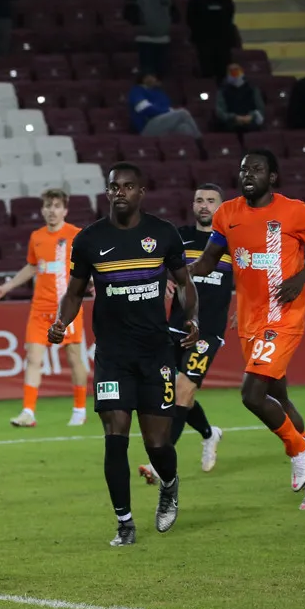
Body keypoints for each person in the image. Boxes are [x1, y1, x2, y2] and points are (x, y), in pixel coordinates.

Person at [47, 163, 199, 546]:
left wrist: (192, 318)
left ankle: (169, 484)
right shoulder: (89, 239)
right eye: (114, 187)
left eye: (128, 187)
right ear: (107, 191)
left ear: (141, 192)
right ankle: (125, 523)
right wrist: (62, 321)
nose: (120, 192)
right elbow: (75, 292)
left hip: (155, 353)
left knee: (157, 444)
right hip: (113, 355)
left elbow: (184, 282)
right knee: (115, 436)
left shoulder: (163, 233)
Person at [188, 150, 305, 510]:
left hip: (283, 316)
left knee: (252, 394)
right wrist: (174, 272)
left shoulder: (294, 211)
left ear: (272, 177)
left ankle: (298, 449)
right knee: (278, 398)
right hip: (250, 320)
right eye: (243, 169)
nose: (247, 174)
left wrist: (301, 278)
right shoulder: (227, 214)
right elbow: (207, 261)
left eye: (256, 169)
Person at [140, 184, 232, 486]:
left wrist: (245, 309)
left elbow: (249, 279)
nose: (204, 205)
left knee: (182, 391)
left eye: (211, 201)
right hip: (175, 327)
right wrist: (163, 278)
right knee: (175, 393)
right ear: (192, 205)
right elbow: (154, 264)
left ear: (221, 207)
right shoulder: (180, 237)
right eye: (199, 200)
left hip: (208, 331)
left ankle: (159, 465)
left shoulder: (232, 242)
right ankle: (209, 433)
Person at [0, 188, 89, 427]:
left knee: (74, 358)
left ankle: (79, 410)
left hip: (66, 308)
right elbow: (32, 266)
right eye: (48, 206)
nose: (52, 211)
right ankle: (28, 412)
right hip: (40, 308)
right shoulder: (37, 237)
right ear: (42, 210)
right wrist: (6, 288)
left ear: (65, 210)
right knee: (33, 358)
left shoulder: (76, 235)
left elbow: (89, 263)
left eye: (57, 206)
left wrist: (91, 281)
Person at [123, 0, 178, 79]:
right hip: (145, 40)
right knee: (148, 76)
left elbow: (174, 11)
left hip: (163, 39)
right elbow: (128, 13)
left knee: (162, 76)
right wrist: (142, 23)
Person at [186, 0, 237, 82]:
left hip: (223, 46)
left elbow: (229, 19)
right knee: (207, 77)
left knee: (223, 77)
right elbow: (191, 20)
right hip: (204, 45)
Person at [128, 73, 202, 138]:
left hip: (162, 124)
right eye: (152, 76)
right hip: (147, 127)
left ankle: (194, 148)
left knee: (184, 128)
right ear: (144, 78)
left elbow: (166, 107)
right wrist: (166, 110)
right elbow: (145, 109)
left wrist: (166, 110)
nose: (155, 79)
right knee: (183, 113)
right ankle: (200, 139)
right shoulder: (137, 91)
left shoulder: (159, 93)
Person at [214, 63, 266, 134]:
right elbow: (220, 112)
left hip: (251, 124)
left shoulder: (253, 89)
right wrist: (234, 117)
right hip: (230, 125)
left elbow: (260, 108)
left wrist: (251, 116)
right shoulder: (222, 91)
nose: (235, 74)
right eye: (232, 72)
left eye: (236, 71)